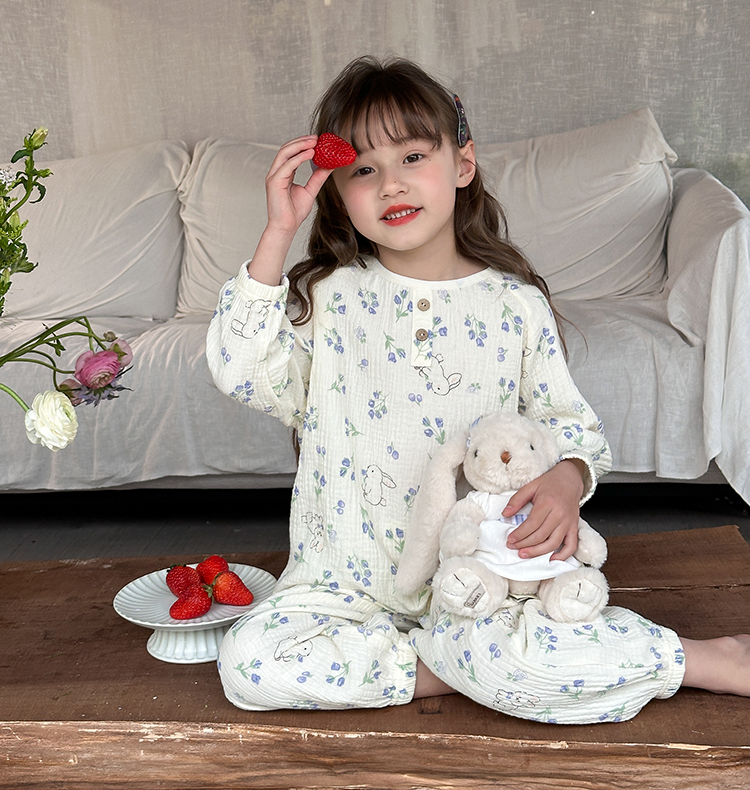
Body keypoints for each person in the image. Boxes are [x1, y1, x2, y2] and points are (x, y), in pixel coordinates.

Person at [206, 54, 750, 721]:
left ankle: (700, 657)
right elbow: (241, 372)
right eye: (362, 171)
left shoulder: (513, 306)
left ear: (462, 164)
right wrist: (277, 233)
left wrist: (566, 479)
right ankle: (467, 668)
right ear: (336, 192)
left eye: (411, 157)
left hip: (479, 584)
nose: (389, 186)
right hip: (341, 585)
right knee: (250, 664)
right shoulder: (329, 296)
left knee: (528, 647)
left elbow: (570, 424)